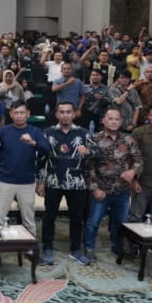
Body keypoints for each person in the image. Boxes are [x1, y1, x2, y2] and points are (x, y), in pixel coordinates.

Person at [82, 107, 141, 262]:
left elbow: (139, 161)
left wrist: (133, 172)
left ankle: (117, 246)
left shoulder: (128, 140)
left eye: (117, 119)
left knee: (119, 223)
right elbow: (88, 167)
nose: (114, 122)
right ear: (103, 120)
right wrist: (94, 189)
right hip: (101, 189)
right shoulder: (94, 140)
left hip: (122, 189)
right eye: (110, 118)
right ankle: (88, 248)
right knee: (93, 222)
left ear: (121, 121)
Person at [39, 102, 91, 265]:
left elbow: (98, 153)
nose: (65, 115)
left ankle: (76, 249)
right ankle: (47, 248)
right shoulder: (48, 133)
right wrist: (40, 181)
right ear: (57, 114)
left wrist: (88, 151)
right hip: (53, 182)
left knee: (77, 218)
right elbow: (41, 159)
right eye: (62, 112)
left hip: (77, 183)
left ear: (74, 114)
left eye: (69, 112)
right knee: (49, 217)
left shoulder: (83, 133)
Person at [0, 102, 50, 241]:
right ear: (11, 114)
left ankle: (30, 249)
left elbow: (47, 151)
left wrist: (33, 143)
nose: (19, 116)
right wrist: (6, 162)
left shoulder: (35, 132)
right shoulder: (2, 132)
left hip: (27, 182)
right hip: (5, 180)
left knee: (28, 219)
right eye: (16, 113)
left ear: (28, 114)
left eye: (22, 113)